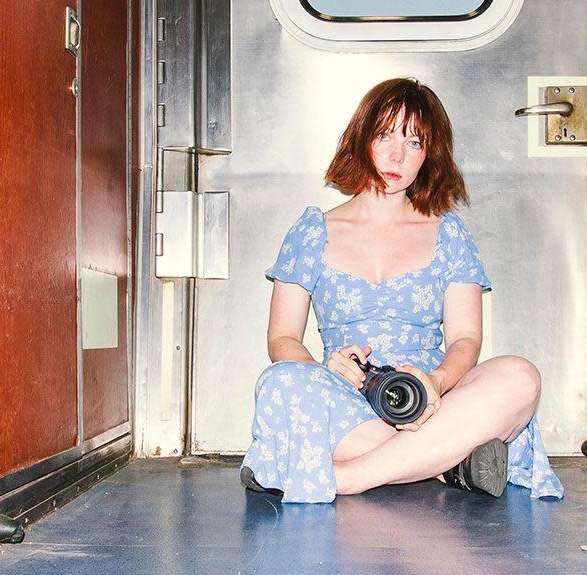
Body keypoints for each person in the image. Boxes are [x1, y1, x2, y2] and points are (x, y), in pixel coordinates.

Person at [240, 78, 564, 504]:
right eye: (385, 135)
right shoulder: (312, 230)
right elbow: (282, 338)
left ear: (429, 155)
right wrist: (327, 370)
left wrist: (435, 381)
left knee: (520, 377)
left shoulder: (449, 233)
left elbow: (466, 339)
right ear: (362, 139)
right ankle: (447, 463)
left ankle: (346, 477)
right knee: (280, 384)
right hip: (344, 397)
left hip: (433, 403)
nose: (397, 155)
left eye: (414, 142)